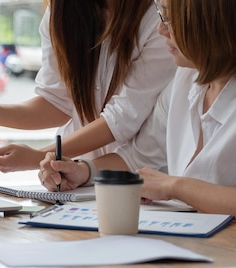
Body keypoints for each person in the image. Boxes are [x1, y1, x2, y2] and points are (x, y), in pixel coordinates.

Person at [39, 0, 236, 216]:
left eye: (169, 19)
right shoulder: (186, 80)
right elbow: (137, 157)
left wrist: (174, 187)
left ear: (210, 24)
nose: (161, 29)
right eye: (163, 17)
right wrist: (84, 171)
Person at [0, 0, 177, 173]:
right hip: (74, 179)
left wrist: (40, 156)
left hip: (139, 180)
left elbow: (121, 119)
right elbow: (56, 102)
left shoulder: (159, 19)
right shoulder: (61, 13)